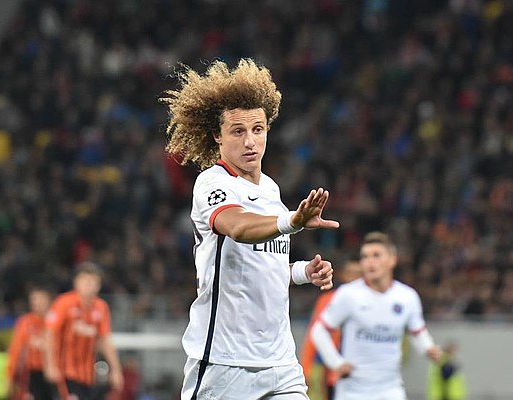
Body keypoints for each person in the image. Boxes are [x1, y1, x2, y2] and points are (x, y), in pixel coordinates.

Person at [161, 58, 339, 400]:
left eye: (257, 129)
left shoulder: (271, 191)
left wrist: (303, 272)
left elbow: (260, 264)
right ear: (217, 135)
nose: (250, 142)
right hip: (225, 364)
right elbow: (239, 227)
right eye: (238, 131)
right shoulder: (212, 183)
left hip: (280, 362)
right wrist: (293, 221)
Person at [310, 232, 441, 400]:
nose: (369, 261)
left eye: (376, 255)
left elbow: (417, 331)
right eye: (365, 256)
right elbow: (318, 330)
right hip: (353, 391)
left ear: (392, 260)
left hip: (391, 390)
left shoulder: (407, 297)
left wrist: (428, 348)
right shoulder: (348, 295)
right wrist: (336, 362)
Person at [44, 262, 123, 400]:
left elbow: (105, 340)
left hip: (88, 375)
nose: (89, 285)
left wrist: (116, 370)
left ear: (99, 285)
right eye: (86, 280)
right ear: (77, 282)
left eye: (94, 281)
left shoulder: (101, 307)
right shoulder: (64, 303)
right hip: (64, 373)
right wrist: (50, 365)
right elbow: (49, 333)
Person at [300, 260, 362, 400]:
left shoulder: (372, 300)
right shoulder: (328, 300)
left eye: (358, 274)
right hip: (332, 372)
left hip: (362, 370)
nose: (354, 279)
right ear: (343, 275)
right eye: (350, 274)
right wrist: (305, 369)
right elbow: (313, 335)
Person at [7, 286, 55, 400]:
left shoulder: (56, 320)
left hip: (55, 372)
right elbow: (15, 350)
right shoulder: (25, 322)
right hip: (32, 373)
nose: (36, 302)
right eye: (33, 299)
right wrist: (9, 376)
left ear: (49, 300)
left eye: (40, 298)